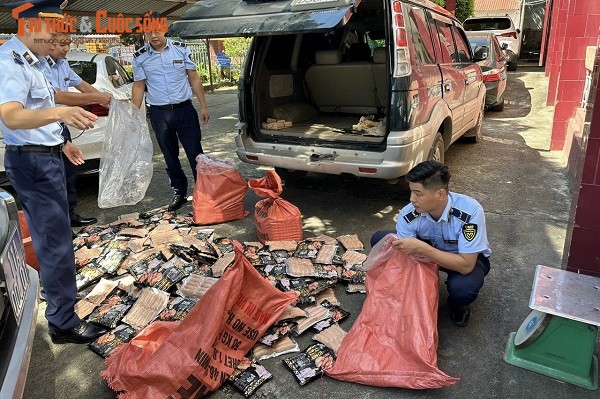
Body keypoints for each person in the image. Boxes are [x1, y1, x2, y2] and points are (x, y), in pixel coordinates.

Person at [0, 0, 107, 344]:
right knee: (55, 243)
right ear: (31, 26)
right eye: (53, 29)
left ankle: (62, 309)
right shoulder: (9, 61)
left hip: (46, 156)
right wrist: (61, 113)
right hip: (32, 163)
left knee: (58, 239)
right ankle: (62, 321)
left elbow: (40, 111)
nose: (58, 37)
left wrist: (63, 143)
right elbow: (13, 116)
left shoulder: (36, 62)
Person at [370, 160, 491, 326]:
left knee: (463, 289)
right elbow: (406, 259)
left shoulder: (470, 212)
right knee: (381, 241)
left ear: (440, 194)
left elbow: (466, 265)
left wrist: (423, 248)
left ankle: (458, 305)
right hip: (424, 253)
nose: (412, 199)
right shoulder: (409, 213)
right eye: (411, 192)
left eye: (418, 194)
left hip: (460, 257)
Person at [131, 13, 210, 212]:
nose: (153, 35)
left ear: (164, 28)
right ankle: (180, 192)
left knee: (195, 152)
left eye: (157, 30)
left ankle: (204, 191)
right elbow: (139, 86)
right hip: (159, 113)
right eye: (149, 31)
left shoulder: (181, 49)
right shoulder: (140, 57)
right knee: (169, 155)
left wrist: (204, 105)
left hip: (184, 110)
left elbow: (194, 78)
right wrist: (133, 113)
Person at [44, 32, 112, 228]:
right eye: (62, 44)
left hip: (60, 126)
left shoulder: (63, 64)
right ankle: (60, 224)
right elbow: (58, 96)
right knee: (52, 178)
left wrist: (108, 100)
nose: (67, 48)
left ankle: (70, 214)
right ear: (49, 42)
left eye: (69, 44)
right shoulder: (39, 66)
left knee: (68, 172)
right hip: (43, 126)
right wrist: (96, 99)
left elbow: (82, 85)